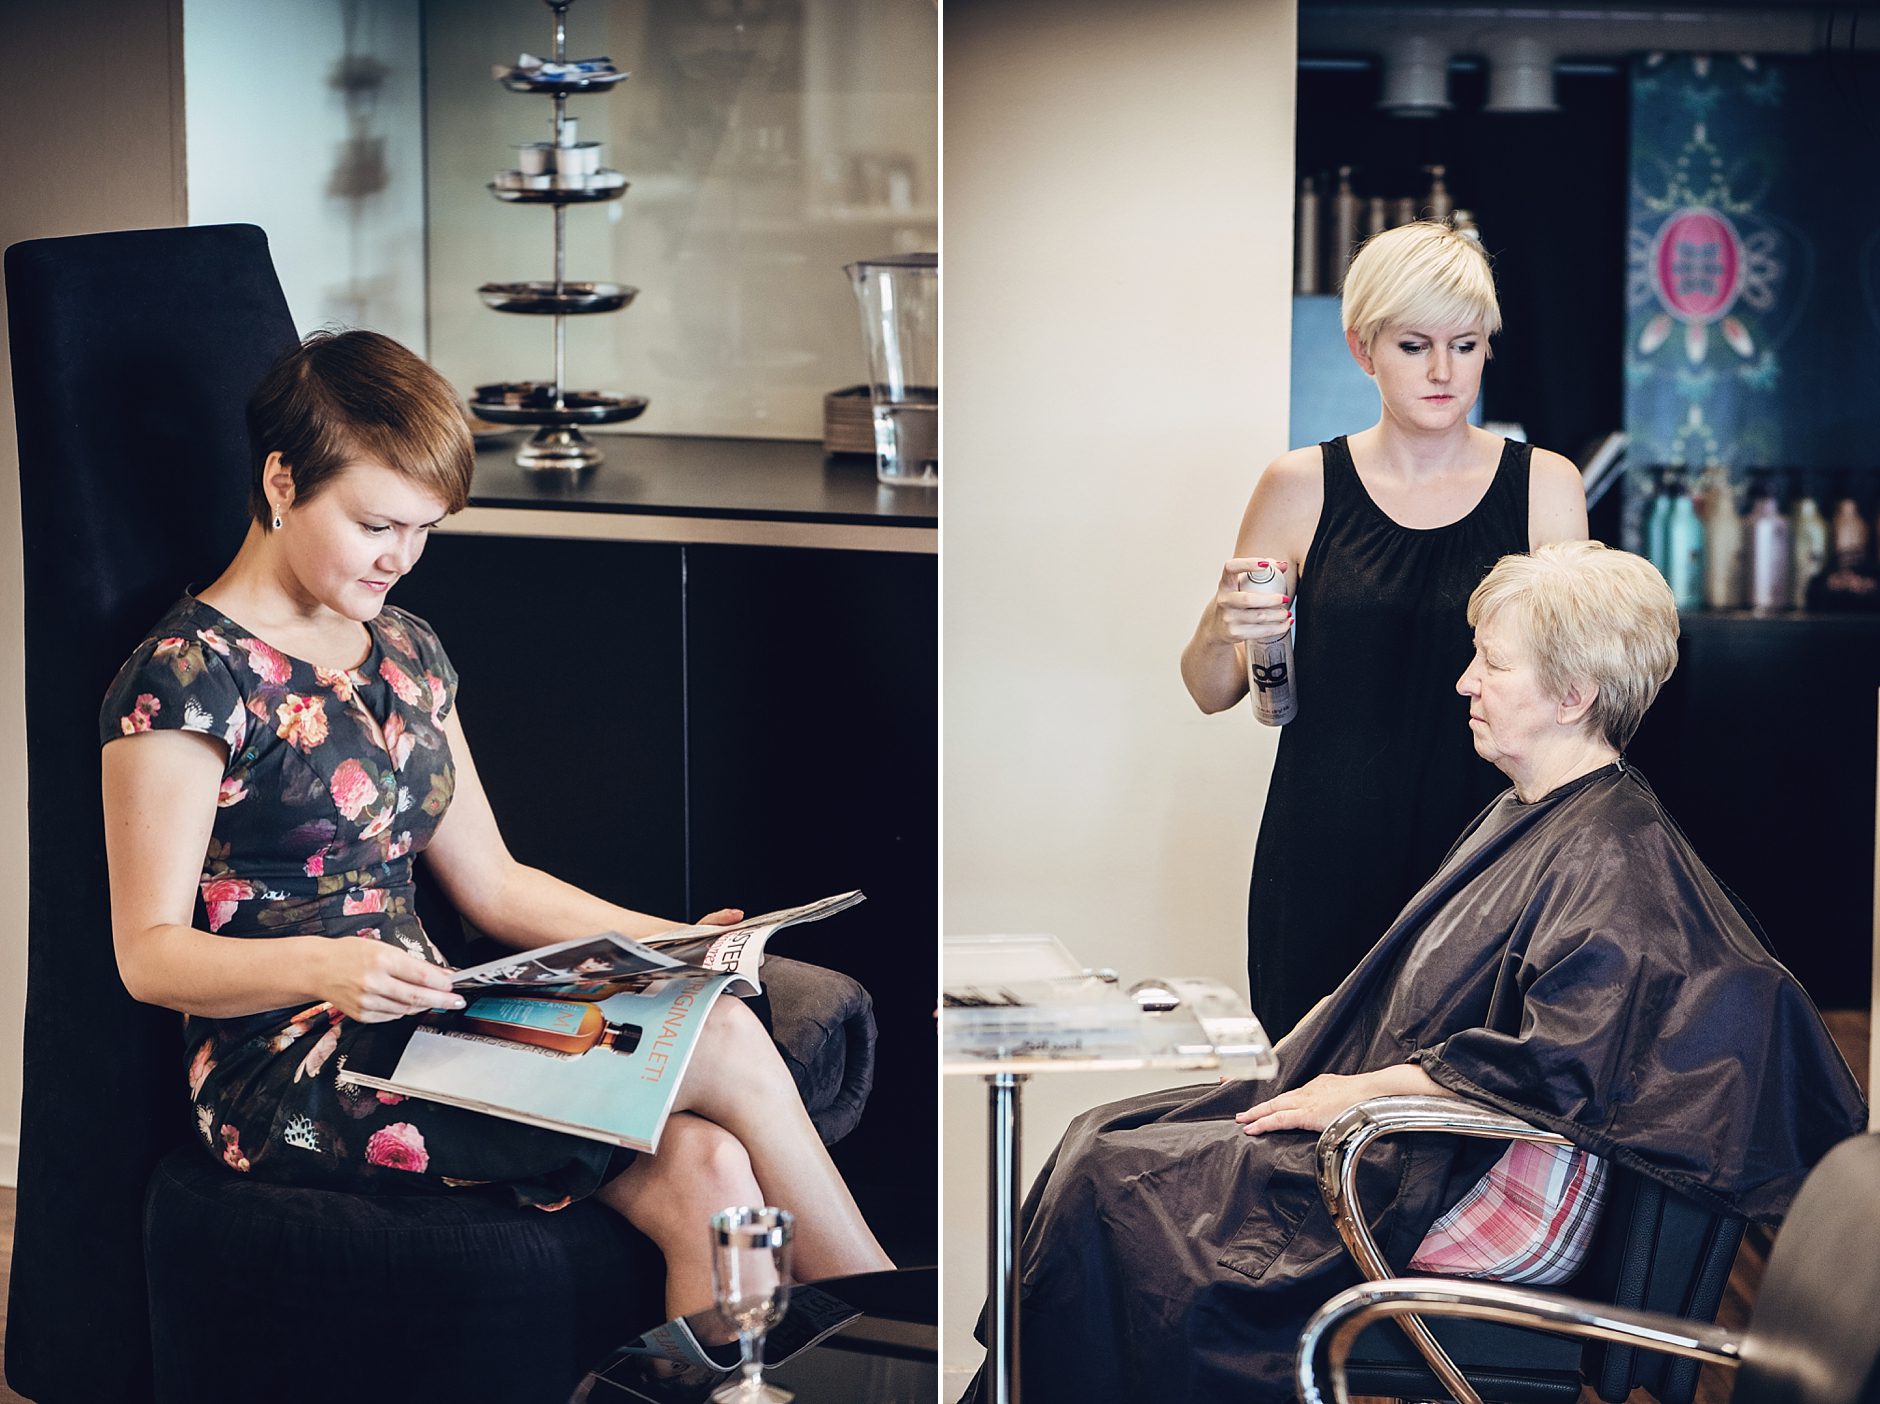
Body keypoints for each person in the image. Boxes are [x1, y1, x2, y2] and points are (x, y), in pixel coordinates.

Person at [99, 329, 892, 1317]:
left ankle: (796, 1368)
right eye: (376, 524)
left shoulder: (405, 649)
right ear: (281, 482)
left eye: (424, 529)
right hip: (289, 1067)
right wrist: (325, 966)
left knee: (710, 1172)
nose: (402, 558)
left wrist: (678, 942)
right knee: (723, 1041)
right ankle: (901, 1336)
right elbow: (148, 956)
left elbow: (495, 885)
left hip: (428, 1021)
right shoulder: (185, 678)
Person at [984, 542, 1865, 1404]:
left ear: (1573, 695)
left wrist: (1358, 1090)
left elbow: (1557, 1069)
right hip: (1425, 1150)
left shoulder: (1617, 861)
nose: (1465, 683)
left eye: (1493, 665)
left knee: (1117, 1187)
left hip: (1437, 1175)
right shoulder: (1537, 811)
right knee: (1104, 1136)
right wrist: (1305, 1060)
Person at [1180, 221, 1590, 1039]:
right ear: (1363, 349)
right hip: (1322, 855)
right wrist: (1229, 624)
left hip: (1486, 861)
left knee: (1466, 1092)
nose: (1443, 372)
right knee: (1308, 1092)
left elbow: (1577, 694)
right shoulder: (1300, 485)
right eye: (1414, 346)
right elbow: (1207, 689)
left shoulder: (1545, 486)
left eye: (1465, 346)